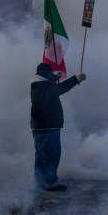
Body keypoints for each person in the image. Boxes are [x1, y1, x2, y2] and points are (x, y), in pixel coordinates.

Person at [30, 62, 86, 191]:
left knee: (40, 157)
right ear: (45, 74)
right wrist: (76, 79)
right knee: (51, 155)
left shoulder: (36, 84)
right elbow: (59, 89)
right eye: (50, 73)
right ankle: (50, 182)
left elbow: (51, 86)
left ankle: (39, 182)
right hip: (48, 126)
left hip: (38, 127)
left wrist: (54, 77)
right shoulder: (42, 85)